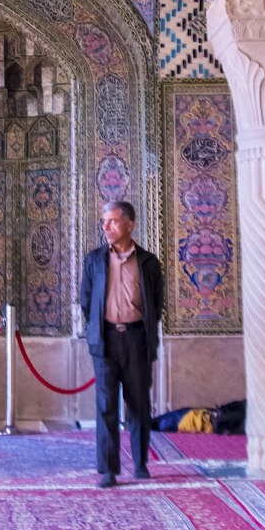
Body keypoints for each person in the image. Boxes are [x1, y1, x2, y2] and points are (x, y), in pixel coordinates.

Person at [80, 199, 164, 487]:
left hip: (137, 338)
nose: (106, 226)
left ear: (129, 224)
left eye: (112, 221)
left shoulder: (148, 263)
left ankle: (140, 464)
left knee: (138, 402)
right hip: (105, 340)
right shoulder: (94, 260)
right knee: (106, 404)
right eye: (104, 221)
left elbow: (156, 303)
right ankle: (108, 468)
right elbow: (87, 301)